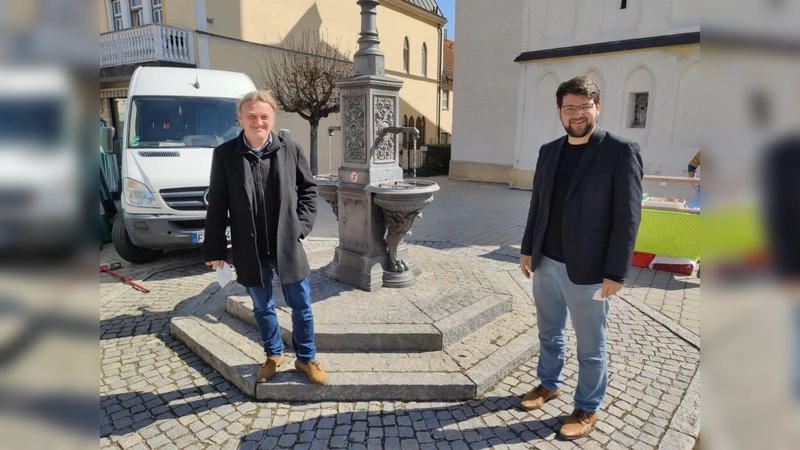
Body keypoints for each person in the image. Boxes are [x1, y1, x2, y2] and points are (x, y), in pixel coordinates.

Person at [519, 77, 643, 440]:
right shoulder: (549, 151)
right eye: (570, 107)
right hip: (546, 263)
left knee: (591, 345)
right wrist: (528, 249)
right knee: (549, 332)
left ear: (597, 107)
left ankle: (587, 407)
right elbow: (537, 205)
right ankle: (548, 383)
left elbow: (628, 216)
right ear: (560, 110)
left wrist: (616, 271)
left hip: (589, 270)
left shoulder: (620, 150)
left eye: (584, 106)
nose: (577, 114)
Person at [203, 91, 328, 385]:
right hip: (250, 247)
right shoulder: (225, 155)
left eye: (264, 116)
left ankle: (306, 358)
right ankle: (273, 355)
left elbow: (309, 190)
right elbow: (218, 205)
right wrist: (215, 249)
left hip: (287, 244)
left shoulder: (290, 149)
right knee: (262, 307)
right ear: (240, 118)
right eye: (252, 116)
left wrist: (301, 227)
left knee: (302, 306)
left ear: (272, 119)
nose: (258, 121)